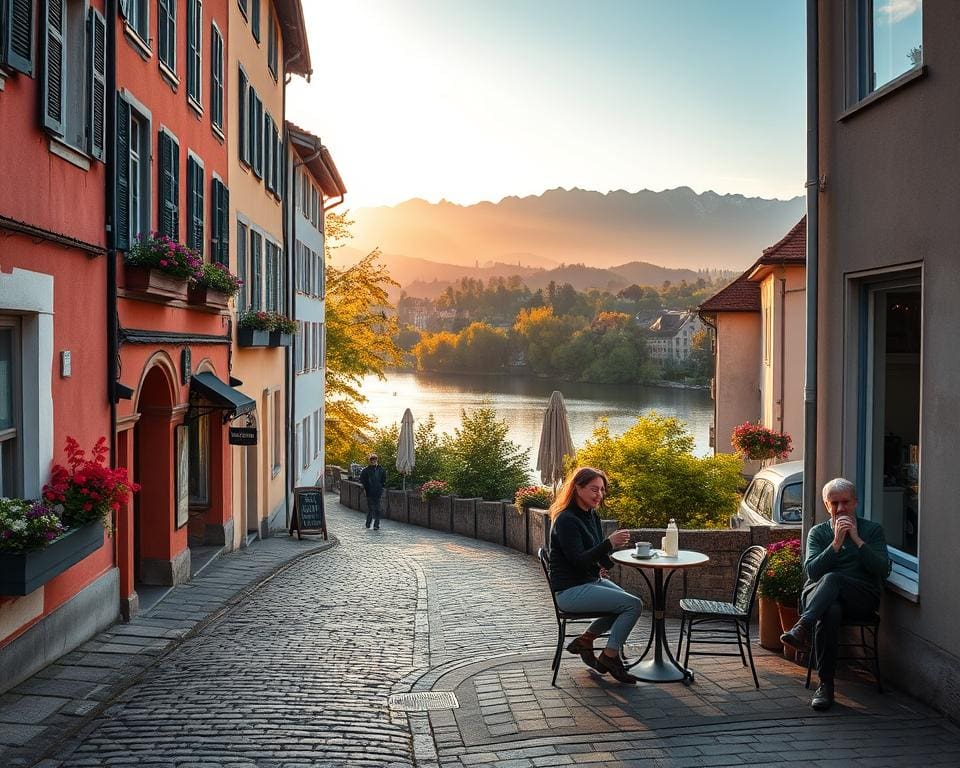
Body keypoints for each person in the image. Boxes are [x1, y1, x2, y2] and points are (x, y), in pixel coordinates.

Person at [781, 477, 891, 711]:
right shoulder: (818, 533)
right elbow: (812, 572)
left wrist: (857, 540)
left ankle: (802, 626)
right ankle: (826, 686)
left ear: (855, 502)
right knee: (830, 610)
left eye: (845, 502)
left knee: (834, 579)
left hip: (860, 597)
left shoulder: (872, 530)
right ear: (826, 505)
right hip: (821, 598)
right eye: (834, 503)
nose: (840, 508)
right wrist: (836, 544)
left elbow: (882, 569)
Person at [547, 467, 643, 684]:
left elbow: (594, 553)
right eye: (594, 489)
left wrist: (605, 562)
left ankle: (586, 640)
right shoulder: (566, 520)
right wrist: (609, 543)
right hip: (570, 591)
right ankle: (610, 656)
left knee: (628, 602)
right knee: (632, 605)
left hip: (588, 581)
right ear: (577, 488)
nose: (599, 494)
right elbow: (579, 560)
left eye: (602, 490)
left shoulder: (591, 515)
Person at [359, 453, 387, 530]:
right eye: (371, 460)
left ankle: (376, 525)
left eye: (374, 460)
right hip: (369, 492)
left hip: (378, 492)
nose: (373, 461)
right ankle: (368, 523)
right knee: (370, 508)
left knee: (377, 509)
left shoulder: (381, 470)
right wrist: (365, 489)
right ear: (370, 461)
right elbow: (362, 480)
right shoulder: (366, 470)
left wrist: (381, 487)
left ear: (377, 460)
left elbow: (384, 480)